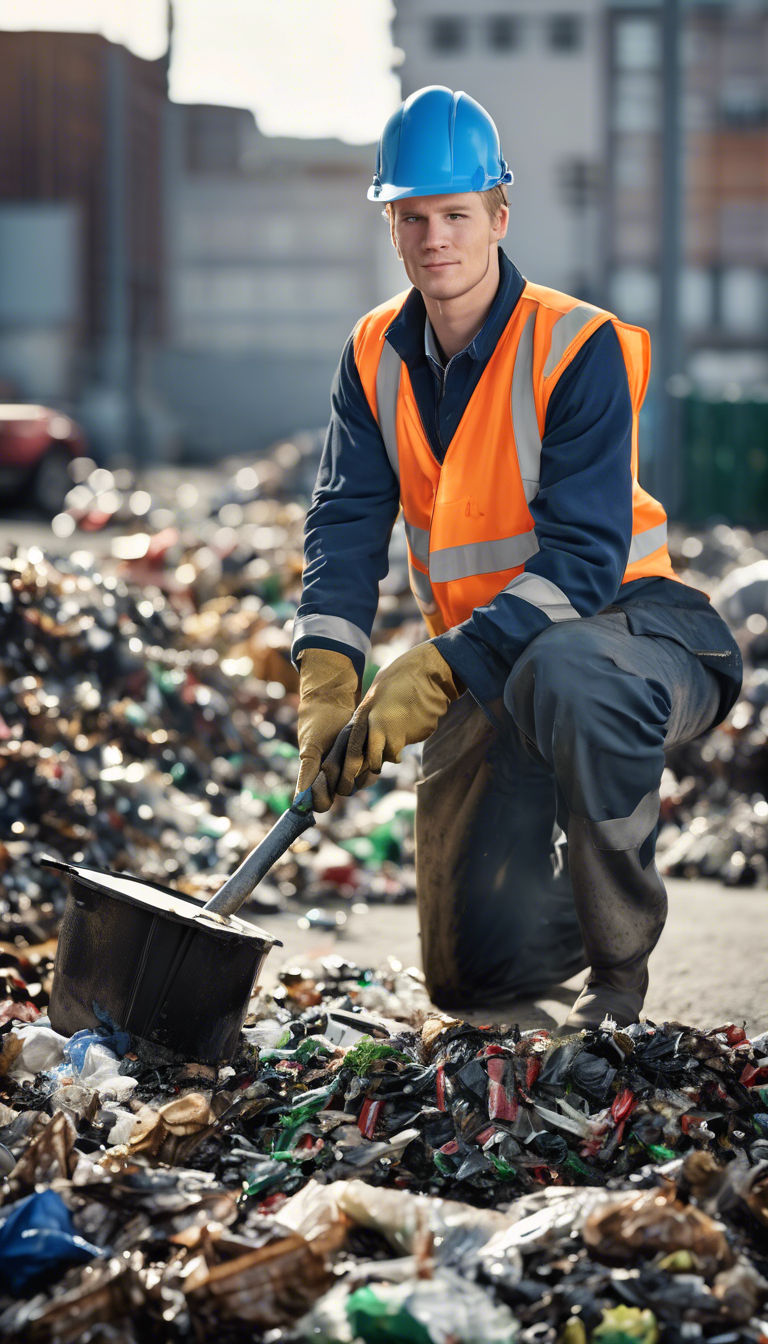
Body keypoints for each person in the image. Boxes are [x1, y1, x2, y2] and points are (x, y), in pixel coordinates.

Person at [291, 86, 742, 1030]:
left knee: (569, 672)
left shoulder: (576, 346)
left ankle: (618, 973)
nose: (435, 239)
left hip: (634, 636)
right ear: (391, 225)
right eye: (412, 217)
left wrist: (440, 665)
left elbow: (581, 564)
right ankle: (570, 915)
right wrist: (328, 674)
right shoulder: (373, 353)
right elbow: (344, 519)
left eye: (456, 215)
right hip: (495, 661)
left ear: (500, 215)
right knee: (469, 974)